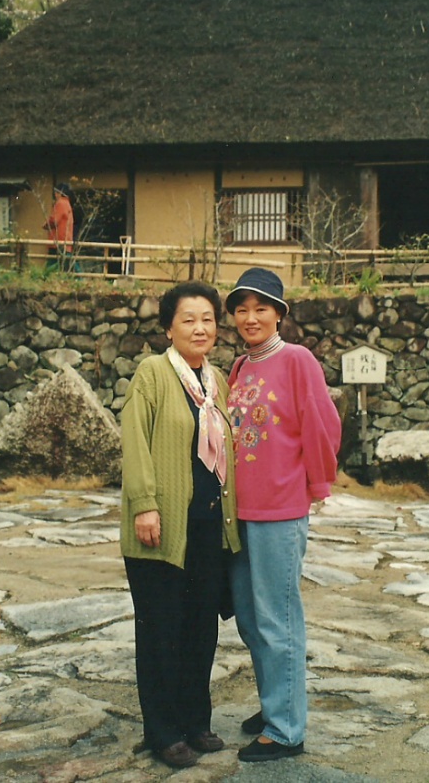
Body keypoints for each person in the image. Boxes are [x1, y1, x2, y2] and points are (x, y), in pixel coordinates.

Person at [120, 281, 240, 770]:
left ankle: (195, 721)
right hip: (162, 528)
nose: (200, 327)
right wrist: (144, 505)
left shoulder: (217, 382)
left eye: (208, 318)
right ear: (169, 327)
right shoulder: (152, 374)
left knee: (200, 628)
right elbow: (135, 442)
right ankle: (163, 731)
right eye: (188, 319)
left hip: (208, 528)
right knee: (161, 631)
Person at [225, 267, 341, 763]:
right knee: (251, 620)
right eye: (242, 309)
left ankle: (287, 729)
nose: (250, 318)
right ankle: (277, 701)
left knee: (279, 619)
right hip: (239, 512)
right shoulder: (238, 367)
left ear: (279, 314)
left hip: (280, 509)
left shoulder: (297, 360)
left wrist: (318, 484)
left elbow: (322, 423)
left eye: (261, 308)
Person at [43, 182, 74, 270]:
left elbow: (54, 220)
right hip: (66, 240)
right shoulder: (67, 204)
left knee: (52, 264)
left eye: (56, 193)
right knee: (66, 263)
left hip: (58, 240)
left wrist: (46, 225)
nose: (55, 195)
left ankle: (45, 276)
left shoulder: (60, 203)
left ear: (60, 193)